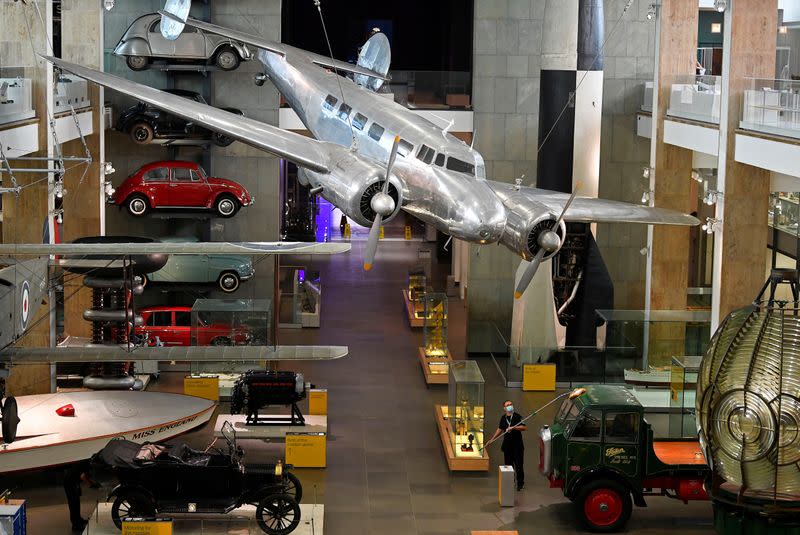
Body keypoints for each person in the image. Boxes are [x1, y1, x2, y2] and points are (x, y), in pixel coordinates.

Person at [488, 400, 527, 491]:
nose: (510, 406)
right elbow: (500, 429)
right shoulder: (503, 418)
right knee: (509, 466)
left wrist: (514, 427)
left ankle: (520, 484)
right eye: (507, 405)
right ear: (504, 408)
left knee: (519, 465)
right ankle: (510, 481)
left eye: (511, 404)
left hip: (517, 446)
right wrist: (492, 439)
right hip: (507, 446)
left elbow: (524, 427)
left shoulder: (517, 416)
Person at [63, 460, 97, 531]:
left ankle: (79, 519)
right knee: (73, 504)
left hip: (73, 481)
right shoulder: (88, 465)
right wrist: (91, 484)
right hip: (70, 482)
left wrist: (91, 483)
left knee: (76, 502)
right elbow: (83, 476)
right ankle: (76, 525)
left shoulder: (86, 462)